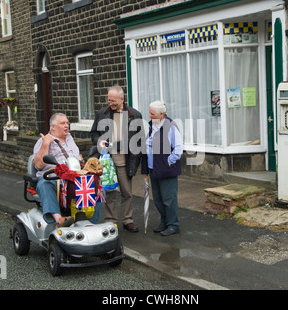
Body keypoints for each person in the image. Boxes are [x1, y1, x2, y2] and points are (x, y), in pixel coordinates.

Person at [90, 85, 144, 232]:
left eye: (113, 100)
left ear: (122, 99)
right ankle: (110, 220)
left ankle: (128, 220)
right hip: (107, 161)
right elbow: (93, 134)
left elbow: (140, 140)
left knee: (127, 192)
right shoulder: (102, 113)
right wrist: (99, 141)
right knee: (109, 193)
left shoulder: (135, 115)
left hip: (125, 161)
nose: (110, 103)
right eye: (108, 100)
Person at [141, 100, 183, 236]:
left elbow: (178, 148)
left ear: (161, 114)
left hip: (166, 169)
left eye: (152, 113)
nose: (150, 115)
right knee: (158, 199)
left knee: (169, 200)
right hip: (153, 168)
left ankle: (173, 225)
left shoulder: (170, 126)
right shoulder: (152, 125)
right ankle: (164, 222)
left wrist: (169, 161)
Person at [33, 113, 82, 228]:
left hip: (72, 176)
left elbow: (78, 156)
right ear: (53, 127)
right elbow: (38, 165)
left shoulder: (70, 138)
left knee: (95, 186)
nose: (66, 126)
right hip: (53, 177)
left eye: (67, 123)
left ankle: (88, 222)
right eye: (62, 123)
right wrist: (46, 143)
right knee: (45, 184)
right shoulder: (43, 140)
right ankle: (59, 219)